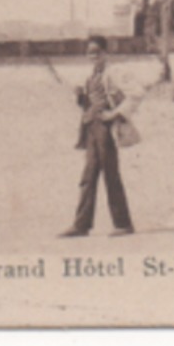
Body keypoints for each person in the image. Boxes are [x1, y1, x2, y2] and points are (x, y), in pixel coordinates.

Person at [60, 35, 135, 238]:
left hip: (106, 129)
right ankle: (81, 225)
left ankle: (123, 224)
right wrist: (79, 95)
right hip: (90, 128)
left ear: (105, 53)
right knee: (88, 176)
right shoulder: (91, 75)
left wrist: (115, 113)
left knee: (111, 175)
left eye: (96, 51)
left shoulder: (114, 72)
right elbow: (88, 102)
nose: (92, 55)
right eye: (89, 52)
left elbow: (137, 93)